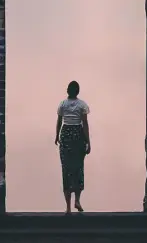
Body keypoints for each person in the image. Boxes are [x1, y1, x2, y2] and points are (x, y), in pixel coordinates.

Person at [55, 80, 91, 214]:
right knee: (78, 168)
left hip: (66, 134)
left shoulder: (63, 104)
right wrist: (88, 141)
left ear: (67, 91)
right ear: (78, 91)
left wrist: (57, 135)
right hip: (77, 134)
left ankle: (68, 207)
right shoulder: (82, 105)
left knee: (66, 169)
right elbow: (85, 124)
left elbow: (59, 121)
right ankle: (77, 200)